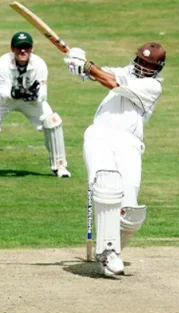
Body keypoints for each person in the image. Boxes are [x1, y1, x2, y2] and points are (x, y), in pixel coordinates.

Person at [64, 42, 166, 277]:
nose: (141, 67)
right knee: (107, 185)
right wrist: (76, 61)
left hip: (129, 143)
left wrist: (88, 67)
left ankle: (112, 248)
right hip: (99, 134)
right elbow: (96, 74)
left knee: (131, 212)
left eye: (148, 65)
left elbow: (111, 82)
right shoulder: (124, 71)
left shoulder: (153, 87)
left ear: (157, 69)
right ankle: (108, 253)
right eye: (140, 61)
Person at [0, 32, 70, 178]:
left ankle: (60, 166)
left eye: (26, 47)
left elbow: (43, 93)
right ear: (12, 48)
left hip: (30, 102)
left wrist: (33, 95)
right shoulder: (2, 63)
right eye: (19, 47)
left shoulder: (39, 64)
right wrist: (17, 92)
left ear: (31, 48)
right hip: (3, 101)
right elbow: (3, 91)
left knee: (52, 121)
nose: (23, 51)